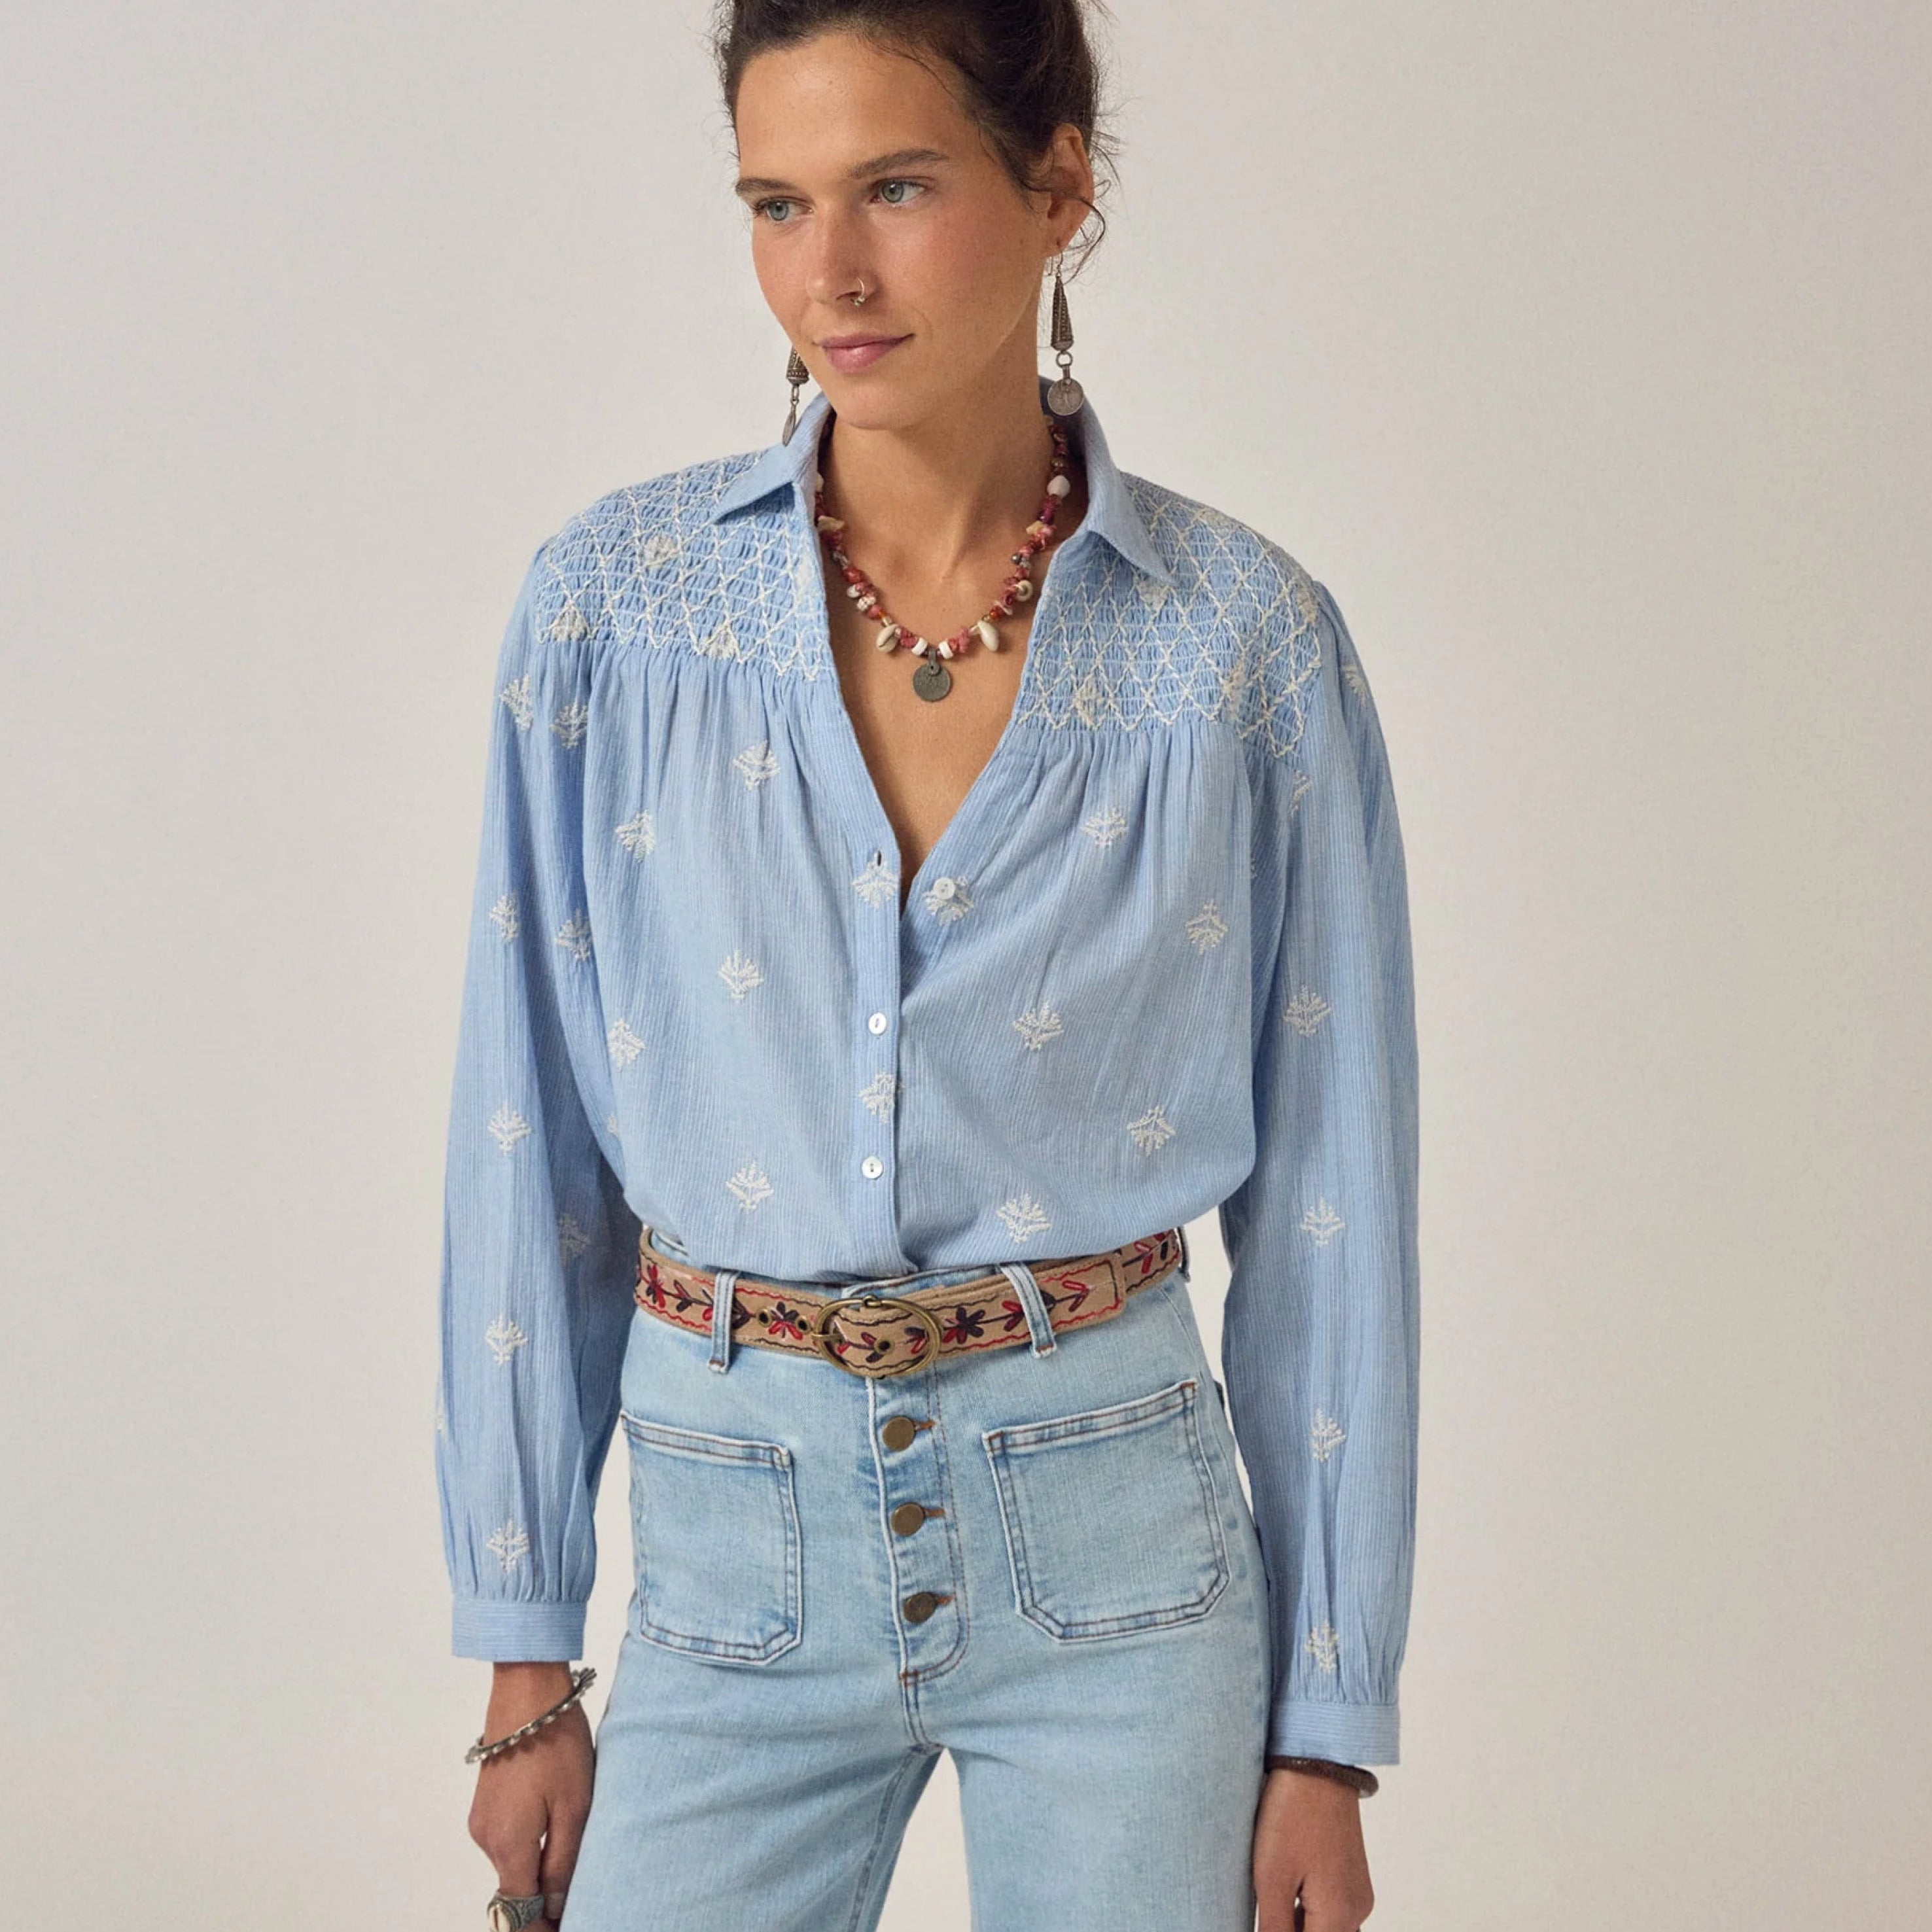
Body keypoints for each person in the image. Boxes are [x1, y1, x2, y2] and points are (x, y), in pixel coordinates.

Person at [433, 3, 1420, 1927]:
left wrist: (1326, 1731)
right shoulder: (615, 614)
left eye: (894, 188)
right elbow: (524, 1139)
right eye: (776, 203)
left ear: (1056, 190)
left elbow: (1333, 1209)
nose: (830, 272)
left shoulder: (1240, 645)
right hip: (731, 1545)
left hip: (1123, 1559)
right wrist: (522, 1652)